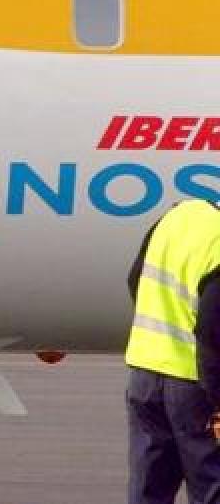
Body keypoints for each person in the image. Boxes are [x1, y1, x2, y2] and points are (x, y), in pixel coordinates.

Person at [125, 198, 220, 504]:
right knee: (212, 488)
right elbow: (212, 330)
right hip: (196, 386)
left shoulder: (179, 214)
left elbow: (135, 278)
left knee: (149, 490)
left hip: (145, 374)